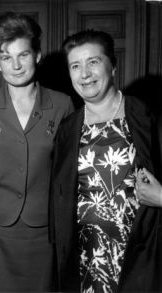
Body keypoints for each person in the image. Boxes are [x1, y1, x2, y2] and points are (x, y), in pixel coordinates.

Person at [50, 29, 162, 292]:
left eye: (93, 62)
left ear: (113, 66)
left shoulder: (148, 117)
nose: (84, 73)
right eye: (75, 66)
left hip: (141, 259)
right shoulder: (67, 129)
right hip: (85, 260)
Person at [0, 12, 74, 291]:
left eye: (23, 55)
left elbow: (70, 173)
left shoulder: (62, 104)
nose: (16, 65)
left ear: (37, 55)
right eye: (6, 57)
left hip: (45, 231)